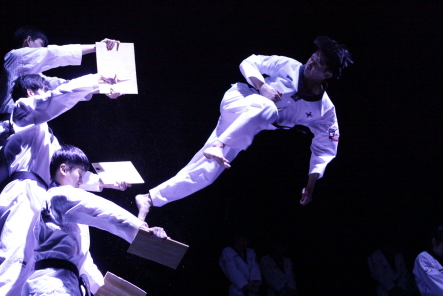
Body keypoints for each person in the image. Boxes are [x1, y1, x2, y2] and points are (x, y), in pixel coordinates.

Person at [0, 72, 119, 296]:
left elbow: (66, 171)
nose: (48, 93)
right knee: (8, 269)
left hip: (38, 195)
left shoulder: (47, 135)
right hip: (23, 193)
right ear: (31, 93)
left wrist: (103, 181)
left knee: (34, 270)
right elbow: (56, 99)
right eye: (44, 90)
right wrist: (98, 81)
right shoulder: (25, 111)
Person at [135, 37, 352, 221]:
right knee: (266, 106)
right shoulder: (289, 66)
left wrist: (311, 184)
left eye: (318, 63)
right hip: (240, 100)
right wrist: (262, 86)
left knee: (206, 174)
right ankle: (219, 145)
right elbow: (249, 62)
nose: (311, 62)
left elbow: (325, 148)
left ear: (328, 75)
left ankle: (150, 198)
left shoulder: (324, 111)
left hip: (245, 126)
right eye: (313, 56)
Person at [0, 146, 167, 296]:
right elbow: (105, 213)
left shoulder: (66, 215)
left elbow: (83, 261)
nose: (81, 180)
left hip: (55, 282)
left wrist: (103, 293)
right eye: (80, 173)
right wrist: (141, 229)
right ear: (64, 169)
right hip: (53, 283)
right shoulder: (60, 197)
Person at [0, 27, 120, 158]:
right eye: (41, 45)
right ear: (28, 40)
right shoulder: (15, 57)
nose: (42, 50)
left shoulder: (36, 77)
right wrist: (96, 47)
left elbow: (62, 85)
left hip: (29, 128)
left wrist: (103, 87)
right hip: (8, 127)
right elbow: (52, 54)